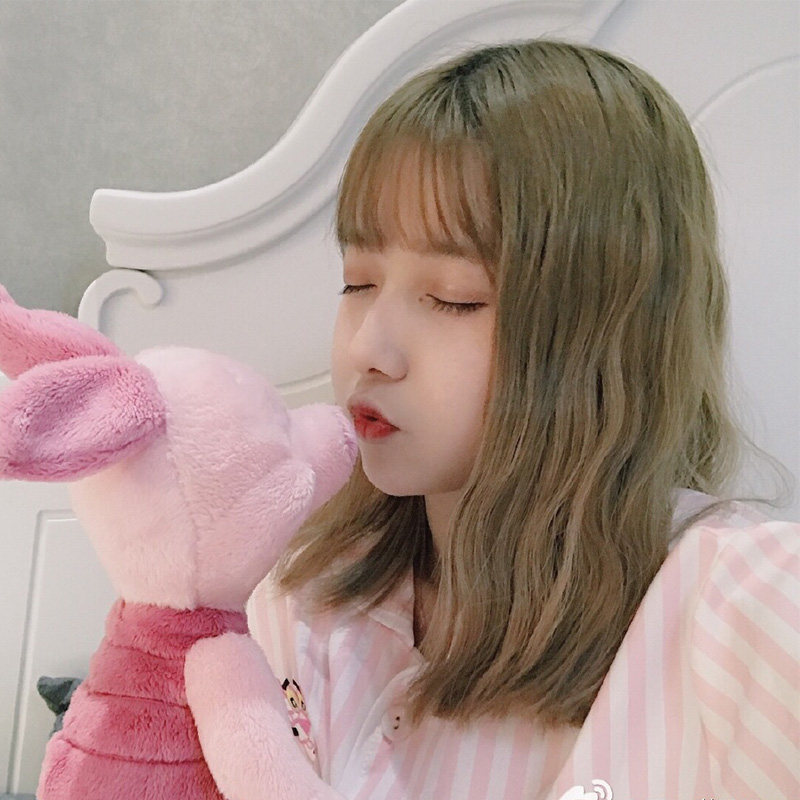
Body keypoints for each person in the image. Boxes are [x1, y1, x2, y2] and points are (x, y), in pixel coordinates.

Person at [247, 38, 800, 800]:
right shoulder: (302, 603)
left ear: (603, 331)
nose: (368, 350)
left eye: (453, 298)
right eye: (358, 282)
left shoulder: (749, 604)